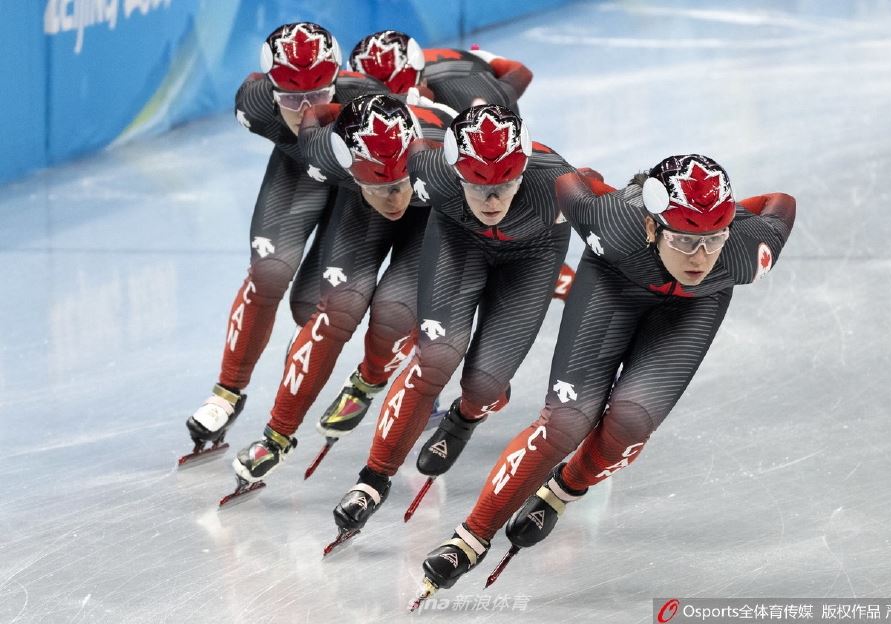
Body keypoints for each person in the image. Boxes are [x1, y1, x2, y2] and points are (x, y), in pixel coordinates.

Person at [411, 154, 797, 603]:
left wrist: (734, 212)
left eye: (712, 240)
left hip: (693, 310)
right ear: (652, 227)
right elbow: (572, 182)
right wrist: (623, 194)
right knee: (566, 421)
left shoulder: (747, 253)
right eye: (686, 242)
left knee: (630, 425)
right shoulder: (610, 221)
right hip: (613, 282)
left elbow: (779, 202)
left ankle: (562, 490)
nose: (701, 258)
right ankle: (470, 538)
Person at [325, 104, 576, 552]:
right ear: (455, 173)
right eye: (479, 187)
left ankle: (464, 418)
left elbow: (630, 224)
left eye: (505, 184)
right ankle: (372, 479)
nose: (493, 201)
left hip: (532, 260)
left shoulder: (560, 184)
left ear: (524, 169)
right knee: (435, 357)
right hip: (458, 245)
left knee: (486, 385)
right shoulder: (426, 166)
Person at [226, 94, 456, 493]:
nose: (395, 199)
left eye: (400, 185)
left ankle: (366, 382)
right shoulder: (323, 151)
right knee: (335, 309)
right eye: (380, 186)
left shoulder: (444, 158)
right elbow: (315, 114)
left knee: (395, 312)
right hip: (358, 209)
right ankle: (276, 436)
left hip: (434, 215)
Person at [180, 22, 387, 464]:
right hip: (299, 175)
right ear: (271, 91)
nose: (305, 110)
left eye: (318, 96)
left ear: (337, 82)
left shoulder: (367, 105)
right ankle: (227, 392)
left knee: (311, 306)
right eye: (291, 99)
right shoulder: (253, 105)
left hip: (356, 190)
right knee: (268, 271)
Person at [347, 30, 532, 112]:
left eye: (402, 94)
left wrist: (487, 60)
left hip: (467, 76)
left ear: (422, 80)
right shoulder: (345, 94)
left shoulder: (469, 95)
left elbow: (522, 73)